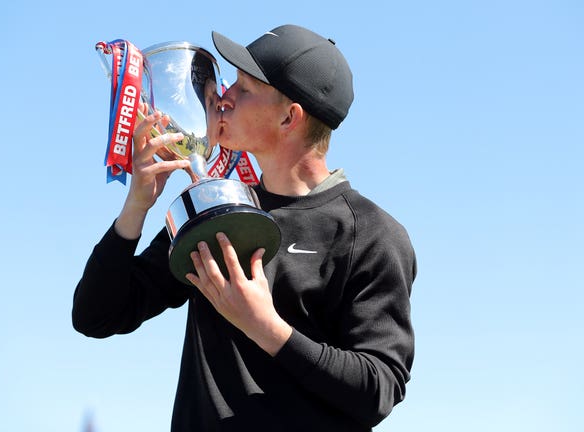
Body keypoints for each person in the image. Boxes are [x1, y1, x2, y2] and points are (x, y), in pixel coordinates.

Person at [73, 24, 416, 431]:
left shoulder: (373, 234)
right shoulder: (216, 207)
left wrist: (266, 329)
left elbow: (378, 389)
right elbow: (96, 316)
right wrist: (136, 206)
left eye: (245, 89)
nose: (222, 99)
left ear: (290, 117)